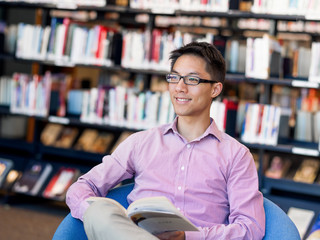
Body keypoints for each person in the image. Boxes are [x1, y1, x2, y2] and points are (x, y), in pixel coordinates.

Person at [66, 41, 265, 240]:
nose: (179, 87)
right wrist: (93, 215)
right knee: (100, 211)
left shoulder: (237, 156)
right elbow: (82, 187)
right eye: (174, 78)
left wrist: (187, 237)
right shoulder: (140, 143)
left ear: (215, 89)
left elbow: (250, 228)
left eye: (192, 80)